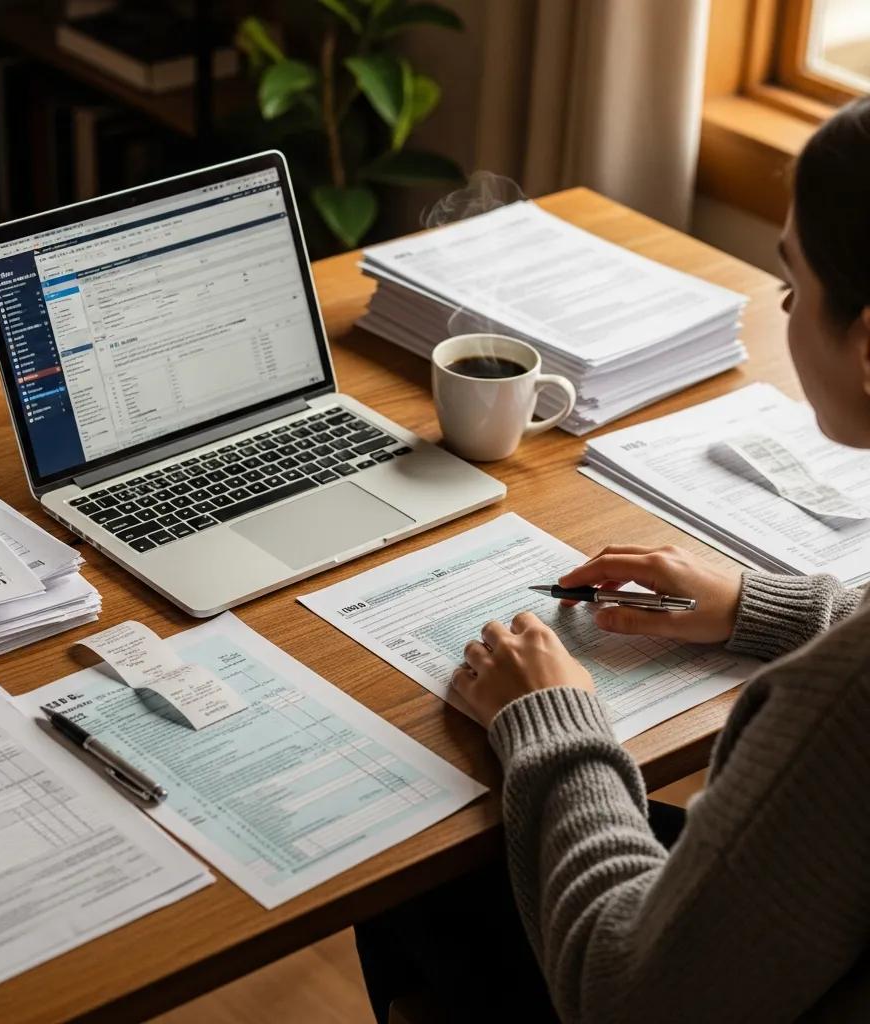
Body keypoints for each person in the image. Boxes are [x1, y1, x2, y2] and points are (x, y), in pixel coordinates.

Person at [356, 94, 870, 1024]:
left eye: (792, 286)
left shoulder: (841, 702)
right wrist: (764, 603)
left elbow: (629, 995)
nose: (786, 310)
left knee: (422, 857)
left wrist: (550, 720)